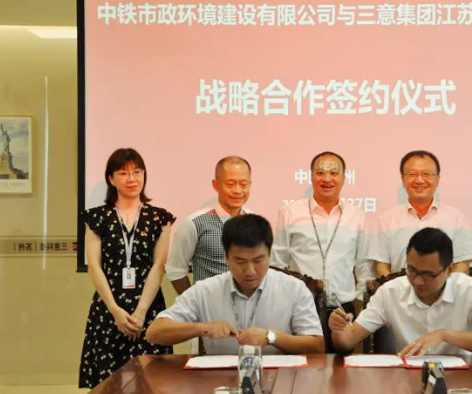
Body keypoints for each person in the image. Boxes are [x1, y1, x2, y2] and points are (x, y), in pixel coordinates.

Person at [147, 214, 325, 354]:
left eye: (258, 260)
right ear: (227, 258)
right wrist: (203, 328)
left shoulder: (293, 288)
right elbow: (154, 333)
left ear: (270, 254)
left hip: (279, 379)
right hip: (219, 382)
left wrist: (271, 337)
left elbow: (317, 345)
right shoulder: (206, 290)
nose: (250, 271)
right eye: (240, 261)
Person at [330, 228, 472, 356]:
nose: (417, 281)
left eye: (428, 275)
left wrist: (444, 335)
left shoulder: (471, 290)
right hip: (406, 381)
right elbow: (346, 341)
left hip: (461, 383)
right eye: (412, 271)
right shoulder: (390, 292)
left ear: (449, 270)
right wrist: (339, 330)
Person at [79, 148, 175, 389]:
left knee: (151, 381)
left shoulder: (160, 218)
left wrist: (141, 312)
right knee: (108, 384)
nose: (132, 179)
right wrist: (115, 311)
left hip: (148, 307)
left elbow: (159, 266)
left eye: (137, 172)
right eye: (123, 173)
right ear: (111, 179)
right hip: (109, 308)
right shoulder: (97, 218)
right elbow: (94, 266)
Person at [271, 151, 373, 353]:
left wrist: (359, 309)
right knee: (303, 366)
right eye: (320, 173)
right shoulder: (290, 213)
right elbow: (277, 264)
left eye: (334, 173)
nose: (327, 179)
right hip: (301, 308)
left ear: (344, 178)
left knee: (341, 369)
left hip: (343, 309)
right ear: (310, 177)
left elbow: (364, 268)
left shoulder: (357, 215)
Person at [369, 150, 472, 276]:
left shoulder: (457, 218)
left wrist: (445, 286)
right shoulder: (386, 220)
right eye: (412, 174)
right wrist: (394, 287)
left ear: (437, 180)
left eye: (426, 174)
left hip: (446, 288)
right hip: (399, 288)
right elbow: (381, 265)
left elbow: (462, 264)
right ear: (403, 179)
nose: (419, 180)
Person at [166, 156, 252, 295]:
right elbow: (175, 271)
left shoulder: (255, 222)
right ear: (216, 185)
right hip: (209, 306)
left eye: (243, 184)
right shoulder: (195, 223)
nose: (237, 190)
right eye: (230, 184)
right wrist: (194, 303)